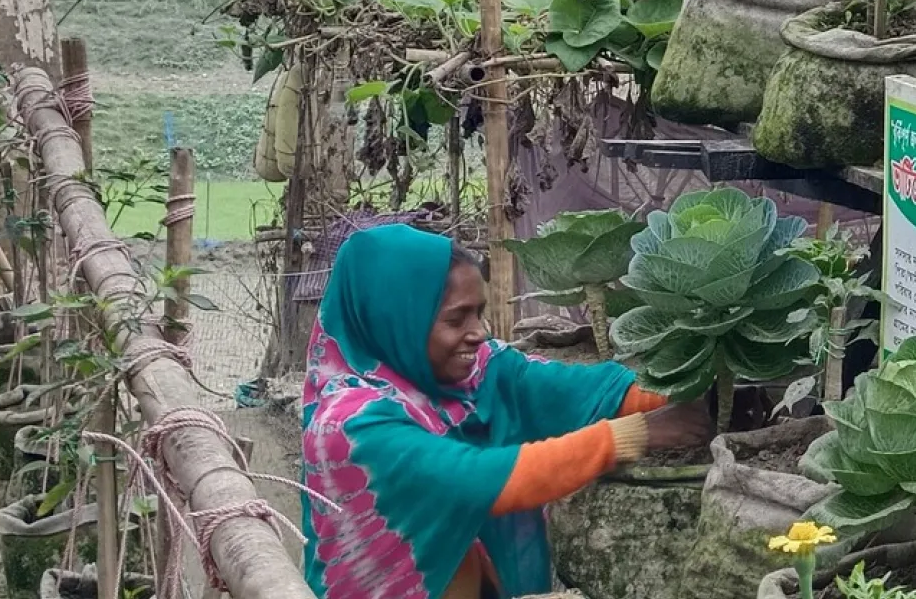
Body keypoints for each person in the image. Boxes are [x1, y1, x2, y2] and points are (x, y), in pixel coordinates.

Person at [299, 223, 712, 599]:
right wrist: (633, 434)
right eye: (456, 319)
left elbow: (565, 389)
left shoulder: (470, 373)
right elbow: (480, 480)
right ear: (395, 320)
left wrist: (690, 389)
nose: (478, 332)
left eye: (478, 312)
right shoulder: (348, 424)